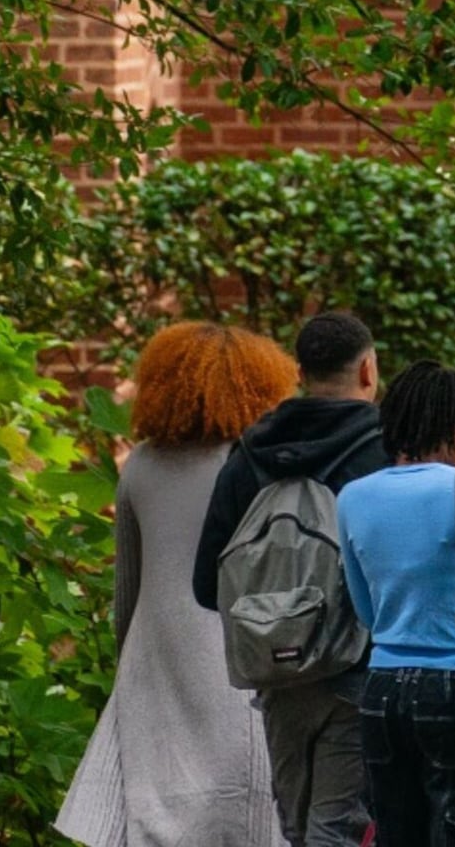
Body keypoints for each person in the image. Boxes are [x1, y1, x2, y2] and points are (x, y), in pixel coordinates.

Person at [61, 322, 305, 847]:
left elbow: (126, 594)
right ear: (263, 388)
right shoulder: (266, 470)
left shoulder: (143, 468)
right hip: (248, 662)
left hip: (158, 670)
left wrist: (130, 668)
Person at [194, 311, 389, 847]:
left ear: (299, 372)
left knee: (298, 829)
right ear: (369, 370)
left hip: (278, 674)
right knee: (340, 827)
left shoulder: (250, 454)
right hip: (358, 669)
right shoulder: (385, 454)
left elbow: (206, 583)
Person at [335, 361, 455, 847]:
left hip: (380, 690)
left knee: (395, 834)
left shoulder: (352, 497)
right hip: (454, 687)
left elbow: (366, 612)